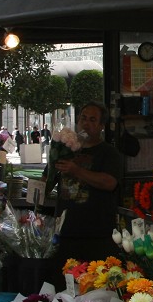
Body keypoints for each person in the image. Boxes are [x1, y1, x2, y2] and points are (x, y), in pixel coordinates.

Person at [46, 101, 123, 289]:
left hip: (97, 236)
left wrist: (76, 170)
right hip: (65, 234)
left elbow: (109, 182)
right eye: (83, 118)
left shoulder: (109, 153)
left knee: (96, 291)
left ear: (101, 126)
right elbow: (46, 183)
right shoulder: (66, 150)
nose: (85, 123)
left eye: (92, 119)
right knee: (63, 289)